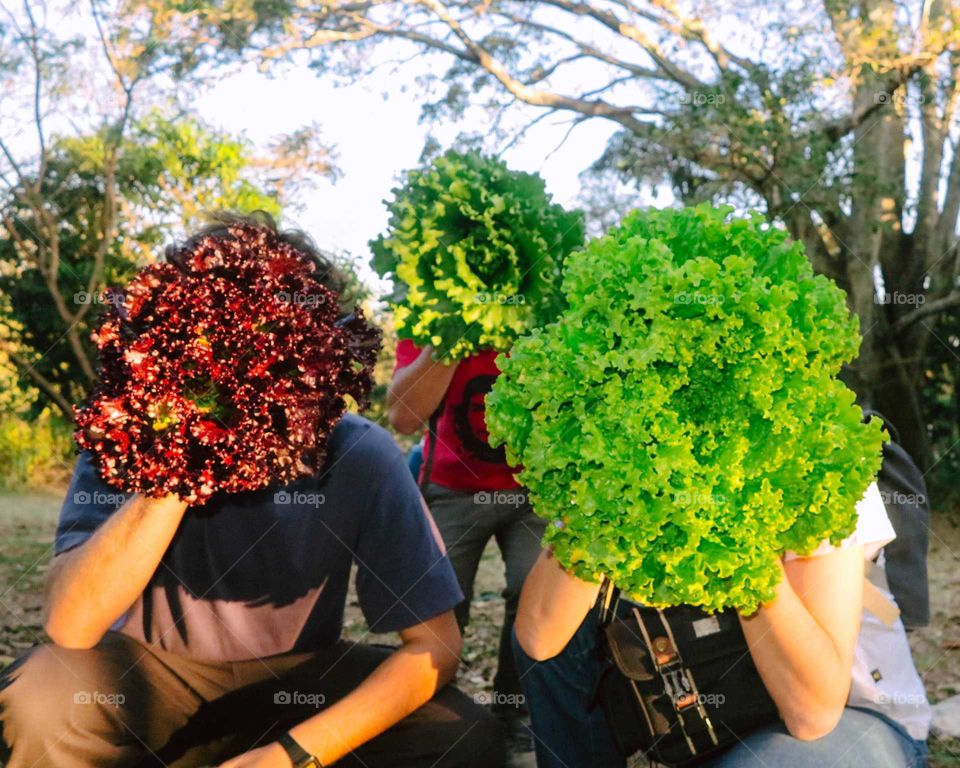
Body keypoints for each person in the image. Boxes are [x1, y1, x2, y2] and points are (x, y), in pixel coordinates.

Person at [0, 215, 504, 768]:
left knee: (462, 736)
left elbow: (435, 647)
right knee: (42, 701)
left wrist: (290, 757)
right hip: (150, 675)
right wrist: (186, 451)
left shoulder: (358, 452)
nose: (239, 363)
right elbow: (71, 624)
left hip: (300, 679)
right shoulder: (127, 429)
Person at [513, 481, 931, 768]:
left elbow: (813, 715)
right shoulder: (620, 449)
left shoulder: (821, 459)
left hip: (852, 720)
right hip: (709, 727)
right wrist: (606, 495)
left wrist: (741, 533)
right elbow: (540, 640)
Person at [388, 341, 546, 756]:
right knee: (442, 605)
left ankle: (515, 712)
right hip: (451, 490)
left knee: (535, 600)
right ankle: (438, 718)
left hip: (534, 494)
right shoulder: (436, 317)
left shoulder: (539, 310)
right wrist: (450, 340)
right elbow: (402, 417)